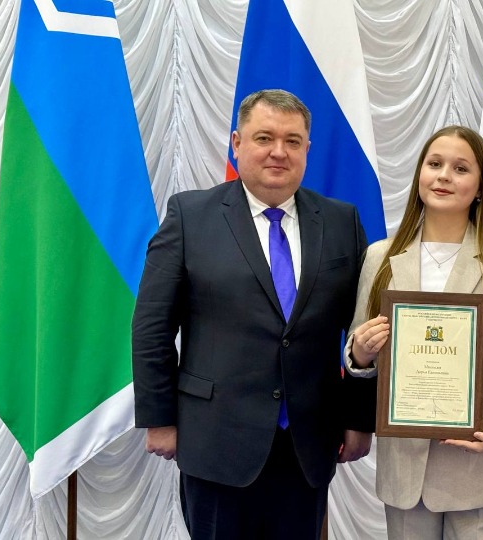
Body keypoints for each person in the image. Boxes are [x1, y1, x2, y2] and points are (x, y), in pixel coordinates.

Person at [132, 89, 375, 539]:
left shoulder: (342, 222)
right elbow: (152, 328)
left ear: (307, 149)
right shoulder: (190, 216)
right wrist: (159, 419)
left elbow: (363, 333)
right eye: (264, 138)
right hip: (216, 442)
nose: (279, 152)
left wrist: (360, 421)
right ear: (237, 143)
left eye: (292, 141)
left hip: (307, 446)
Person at [346, 126, 483, 539]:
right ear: (419, 174)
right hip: (406, 477)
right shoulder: (380, 258)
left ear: (481, 187)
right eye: (434, 164)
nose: (444, 176)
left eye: (461, 168)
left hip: (480, 471)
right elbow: (359, 353)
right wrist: (360, 353)